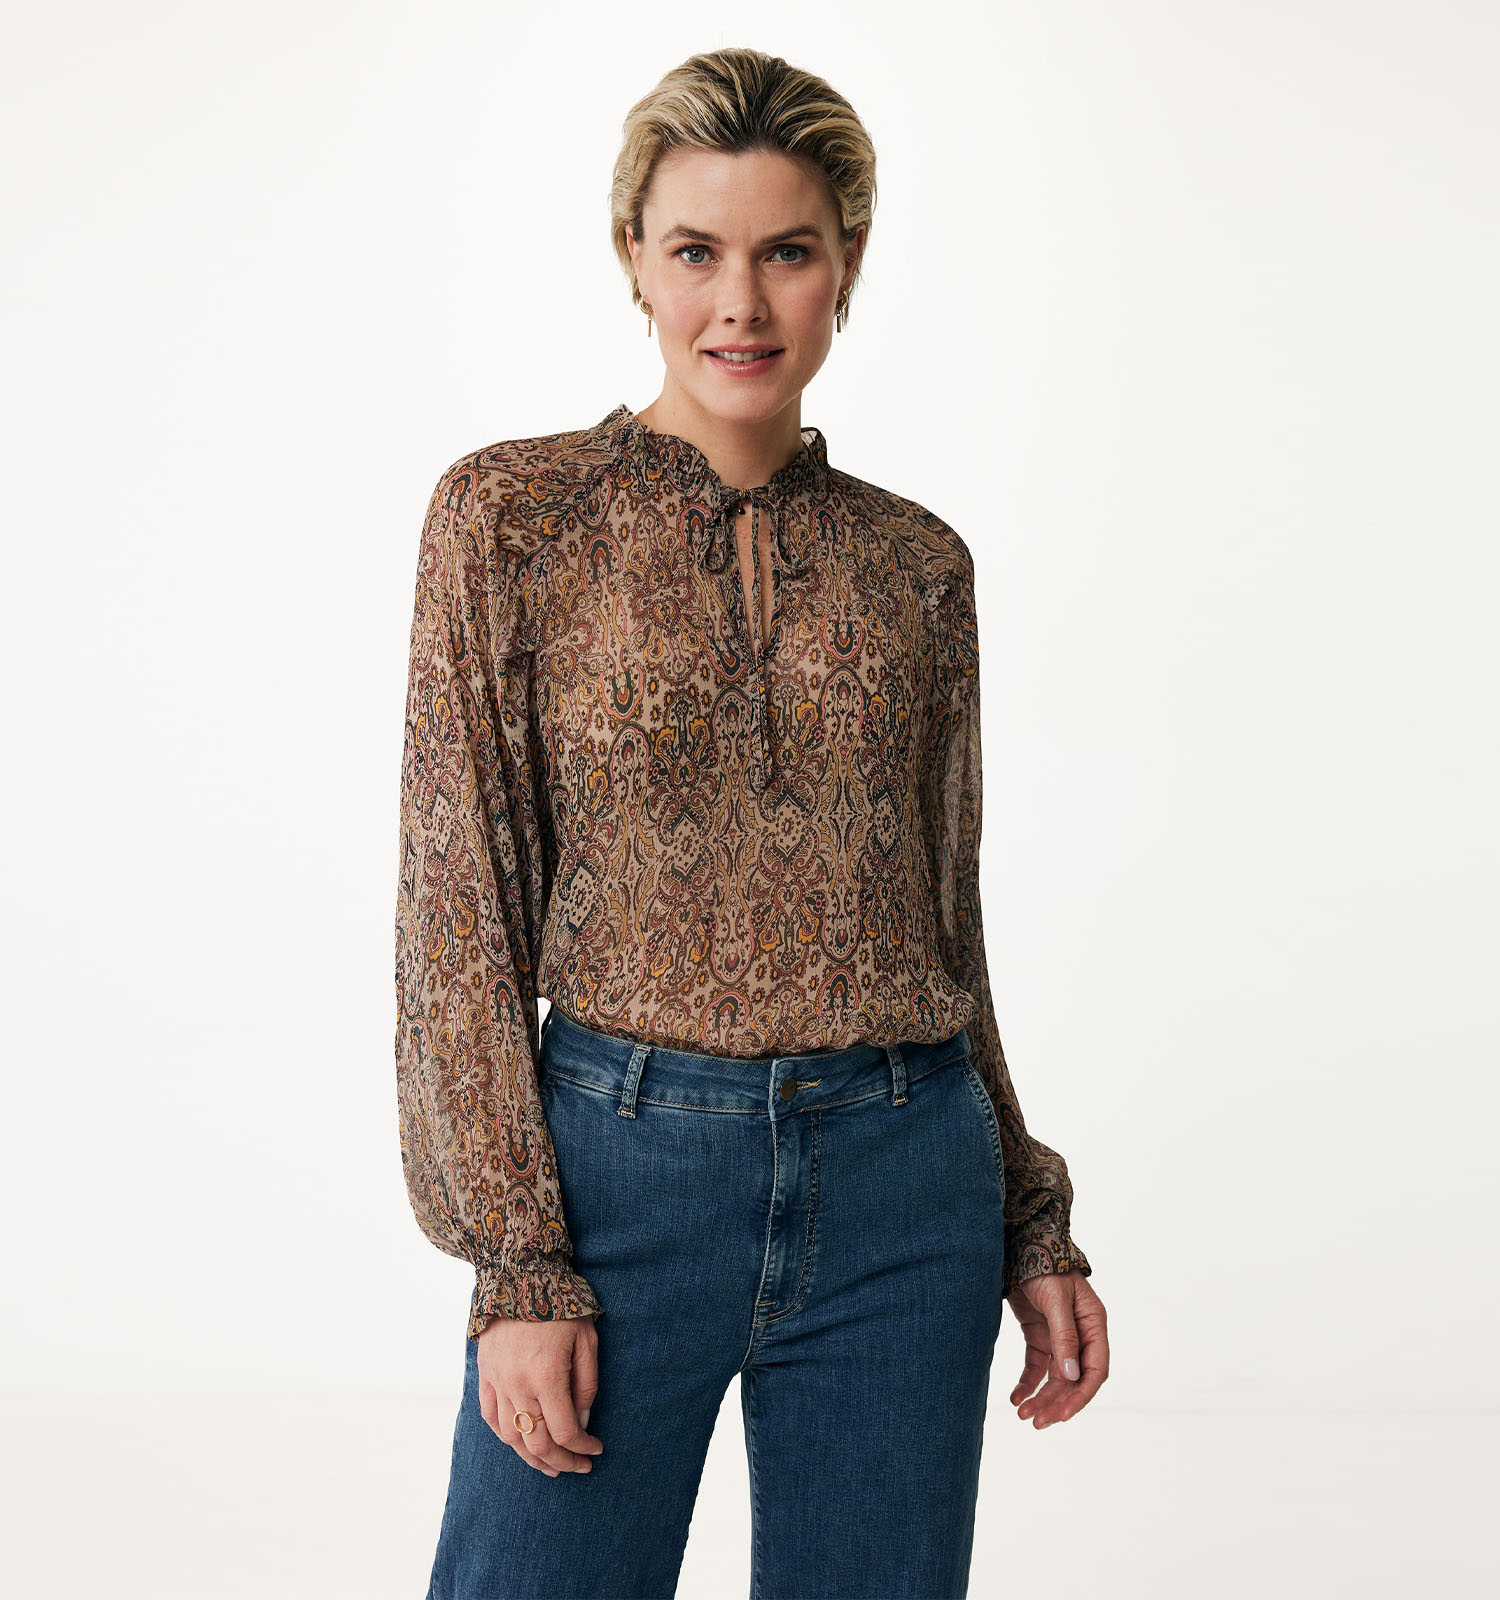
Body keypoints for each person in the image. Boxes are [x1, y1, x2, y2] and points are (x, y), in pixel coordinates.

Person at [394, 44, 1110, 1600]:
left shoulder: (918, 567)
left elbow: (946, 919)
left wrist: (1028, 1221)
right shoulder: (510, 522)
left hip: (906, 1184)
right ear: (632, 260)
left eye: (787, 252)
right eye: (695, 251)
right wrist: (518, 1261)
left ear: (846, 264)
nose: (741, 303)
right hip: (618, 1180)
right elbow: (459, 909)